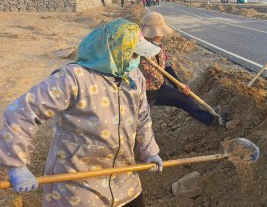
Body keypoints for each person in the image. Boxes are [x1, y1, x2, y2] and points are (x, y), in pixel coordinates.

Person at [0, 18, 163, 206]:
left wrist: (149, 151)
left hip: (125, 181)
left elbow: (142, 117)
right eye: (133, 54)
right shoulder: (74, 78)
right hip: (78, 184)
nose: (138, 60)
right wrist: (16, 164)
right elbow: (22, 112)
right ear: (114, 50)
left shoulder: (135, 77)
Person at [139, 12, 227, 126]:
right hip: (147, 90)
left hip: (159, 85)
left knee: (185, 99)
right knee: (141, 120)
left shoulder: (159, 45)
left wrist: (179, 85)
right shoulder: (140, 49)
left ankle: (210, 119)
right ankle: (210, 121)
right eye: (159, 32)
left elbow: (166, 66)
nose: (162, 35)